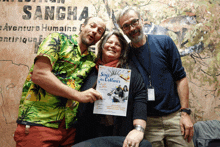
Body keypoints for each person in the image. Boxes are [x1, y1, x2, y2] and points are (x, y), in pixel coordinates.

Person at [14, 16, 106, 147]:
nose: (94, 31)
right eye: (92, 26)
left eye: (100, 31)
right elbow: (40, 75)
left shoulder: (91, 60)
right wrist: (78, 96)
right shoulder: (58, 40)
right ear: (82, 26)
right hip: (39, 123)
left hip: (68, 129)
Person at [116, 7, 194, 147]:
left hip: (175, 117)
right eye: (126, 26)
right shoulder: (125, 54)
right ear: (122, 30)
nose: (132, 28)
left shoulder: (165, 42)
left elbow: (181, 78)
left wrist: (185, 113)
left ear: (142, 20)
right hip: (147, 122)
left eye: (134, 22)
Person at [75, 30, 150, 147]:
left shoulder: (130, 73)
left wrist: (138, 129)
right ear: (102, 46)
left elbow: (140, 100)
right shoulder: (89, 69)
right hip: (88, 133)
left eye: (118, 44)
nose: (112, 46)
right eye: (109, 42)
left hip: (120, 134)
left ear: (122, 50)